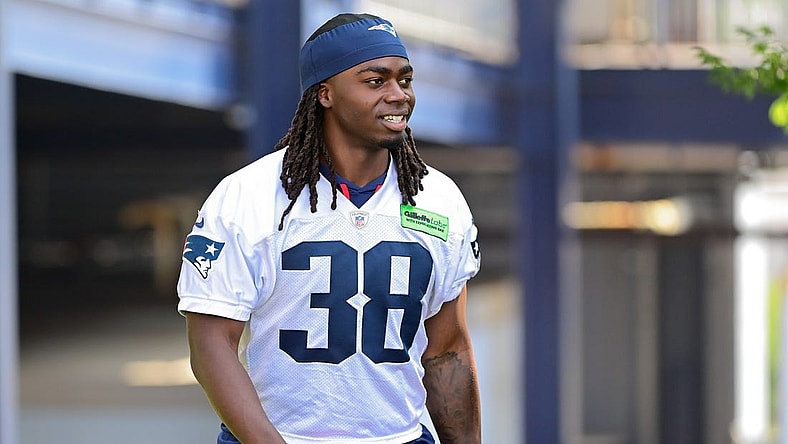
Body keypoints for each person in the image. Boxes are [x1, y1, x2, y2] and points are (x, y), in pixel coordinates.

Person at [177, 12, 482, 444]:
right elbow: (211, 346)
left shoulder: (440, 198)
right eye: (375, 81)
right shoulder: (248, 195)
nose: (398, 95)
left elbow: (447, 349)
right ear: (325, 94)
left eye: (405, 80)